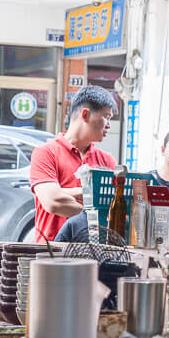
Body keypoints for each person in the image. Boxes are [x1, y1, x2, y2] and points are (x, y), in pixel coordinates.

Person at [29, 85, 117, 242]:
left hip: (95, 254)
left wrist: (65, 192)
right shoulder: (46, 152)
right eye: (106, 116)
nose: (109, 124)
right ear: (86, 114)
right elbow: (53, 201)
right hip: (51, 253)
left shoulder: (106, 160)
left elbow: (114, 208)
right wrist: (93, 207)